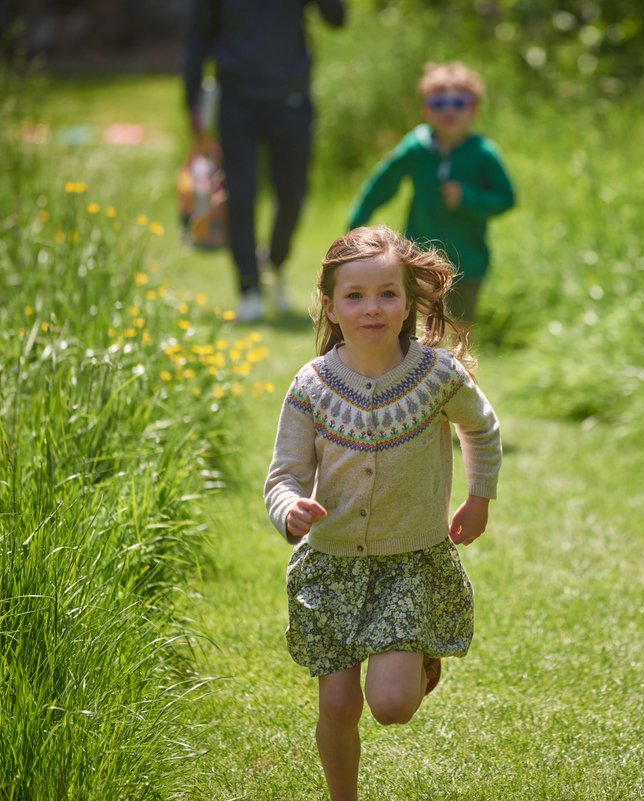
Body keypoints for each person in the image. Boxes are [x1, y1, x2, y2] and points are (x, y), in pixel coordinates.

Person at [264, 225, 502, 801]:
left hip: (409, 562)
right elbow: (284, 474)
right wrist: (289, 509)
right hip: (332, 566)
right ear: (331, 305)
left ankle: (414, 655)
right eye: (355, 296)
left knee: (392, 707)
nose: (372, 308)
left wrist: (479, 496)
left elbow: (481, 428)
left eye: (387, 294)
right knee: (339, 705)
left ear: (409, 303)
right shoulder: (311, 387)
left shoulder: (438, 376)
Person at [183, 0, 347, 323]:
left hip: (292, 97)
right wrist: (192, 101)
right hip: (236, 98)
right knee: (241, 196)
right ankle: (249, 289)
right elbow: (198, 35)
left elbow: (336, 18)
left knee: (293, 193)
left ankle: (275, 261)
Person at [348, 61, 515, 327]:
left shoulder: (483, 153)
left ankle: (461, 369)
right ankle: (418, 367)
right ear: (426, 110)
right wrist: (356, 224)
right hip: (419, 254)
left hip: (468, 259)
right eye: (439, 103)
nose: (449, 110)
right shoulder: (416, 148)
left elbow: (506, 198)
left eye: (459, 103)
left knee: (461, 324)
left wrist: (468, 198)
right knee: (418, 322)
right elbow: (382, 183)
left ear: (473, 110)